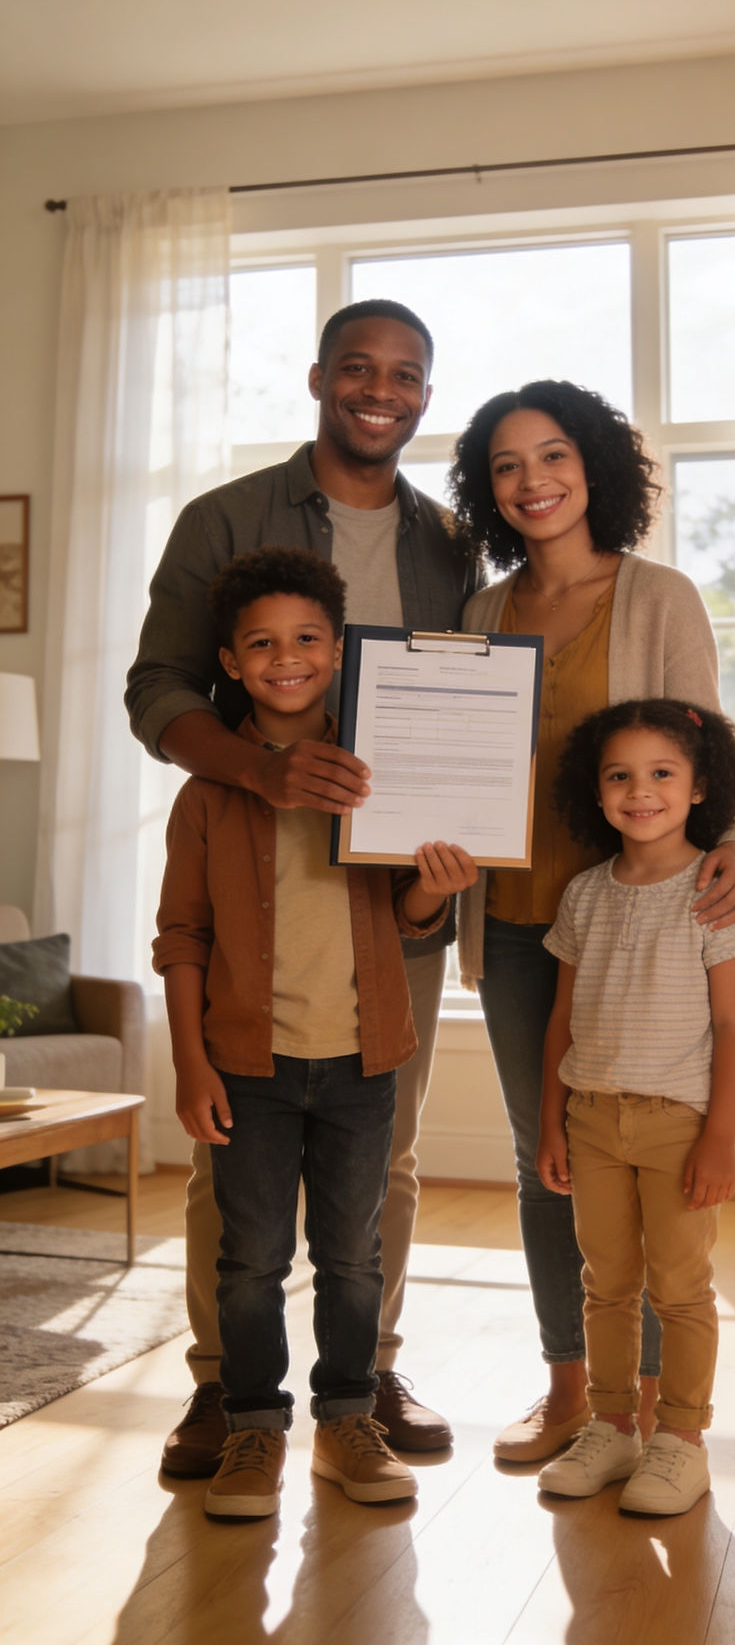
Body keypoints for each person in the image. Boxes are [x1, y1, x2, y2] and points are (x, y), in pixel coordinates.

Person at [127, 300, 481, 1475]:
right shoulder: (224, 517)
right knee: (231, 1167)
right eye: (359, 369)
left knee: (385, 1155)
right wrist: (261, 772)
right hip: (253, 893)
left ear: (425, 393)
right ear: (320, 375)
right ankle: (226, 1387)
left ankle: (361, 1373)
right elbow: (156, 691)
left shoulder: (446, 539)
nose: (381, 391)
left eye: (407, 375)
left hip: (396, 913)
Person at [448, 380, 735, 1461]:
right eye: (504, 466)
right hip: (516, 917)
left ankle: (657, 1417)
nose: (531, 481)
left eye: (550, 456)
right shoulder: (481, 613)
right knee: (551, 1158)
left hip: (648, 921)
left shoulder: (660, 595)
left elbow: (710, 747)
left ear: (592, 467)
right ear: (486, 491)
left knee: (660, 1155)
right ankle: (573, 1391)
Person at [535, 698, 735, 1513]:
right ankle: (612, 1428)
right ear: (595, 792)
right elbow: (560, 1020)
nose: (641, 791)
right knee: (606, 1283)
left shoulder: (715, 894)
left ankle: (681, 1440)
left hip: (680, 1125)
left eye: (662, 773)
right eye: (620, 776)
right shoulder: (584, 895)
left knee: (679, 1286)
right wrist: (549, 1125)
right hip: (592, 1118)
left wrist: (720, 1139)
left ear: (701, 787)